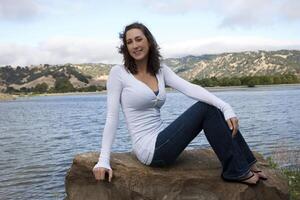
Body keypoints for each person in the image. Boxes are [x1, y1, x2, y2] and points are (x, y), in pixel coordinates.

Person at [92, 22, 267, 185]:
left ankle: (247, 162)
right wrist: (103, 160)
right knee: (206, 108)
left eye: (139, 39)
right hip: (149, 150)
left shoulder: (160, 70)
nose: (135, 45)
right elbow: (112, 117)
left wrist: (226, 107)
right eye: (129, 42)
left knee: (213, 106)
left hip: (162, 137)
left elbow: (191, 88)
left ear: (149, 41)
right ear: (125, 48)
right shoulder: (118, 73)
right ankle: (235, 172)